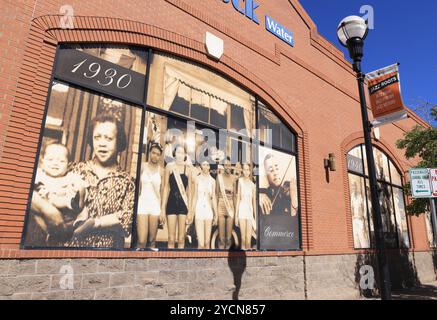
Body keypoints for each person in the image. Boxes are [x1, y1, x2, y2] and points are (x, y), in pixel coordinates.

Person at [69, 113, 136, 248]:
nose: (102, 144)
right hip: (72, 247)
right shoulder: (75, 170)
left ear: (118, 142)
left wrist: (95, 223)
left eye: (108, 138)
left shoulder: (128, 182)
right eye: (97, 137)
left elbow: (127, 221)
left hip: (108, 252)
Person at [161, 144, 193, 249]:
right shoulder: (169, 166)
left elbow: (189, 192)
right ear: (175, 154)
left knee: (181, 238)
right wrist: (162, 209)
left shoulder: (188, 169)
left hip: (183, 204)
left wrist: (190, 211)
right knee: (171, 238)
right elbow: (165, 188)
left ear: (185, 155)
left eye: (182, 153)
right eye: (178, 152)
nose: (180, 155)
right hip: (171, 202)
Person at [136, 143, 164, 249]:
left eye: (157, 154)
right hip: (142, 203)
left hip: (155, 205)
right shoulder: (143, 166)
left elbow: (162, 192)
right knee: (142, 240)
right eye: (153, 153)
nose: (155, 156)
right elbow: (138, 186)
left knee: (152, 241)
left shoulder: (162, 171)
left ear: (160, 156)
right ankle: (136, 264)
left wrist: (162, 210)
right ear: (150, 153)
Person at [191, 161, 217, 249]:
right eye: (204, 164)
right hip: (199, 210)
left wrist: (216, 214)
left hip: (208, 211)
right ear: (201, 166)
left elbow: (214, 198)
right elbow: (195, 196)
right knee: (201, 243)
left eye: (207, 164)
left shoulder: (213, 181)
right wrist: (192, 212)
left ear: (210, 167)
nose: (205, 166)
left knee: (207, 242)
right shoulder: (197, 179)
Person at [216, 157, 237, 250]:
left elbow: (235, 196)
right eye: (225, 165)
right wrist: (215, 211)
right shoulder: (219, 177)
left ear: (231, 166)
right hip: (221, 205)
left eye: (229, 165)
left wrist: (236, 211)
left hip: (230, 207)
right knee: (221, 238)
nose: (227, 167)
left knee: (228, 238)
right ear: (223, 166)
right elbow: (216, 194)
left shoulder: (233, 178)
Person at [235, 163, 256, 251]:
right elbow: (238, 198)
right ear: (242, 171)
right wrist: (236, 215)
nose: (246, 171)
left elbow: (253, 201)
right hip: (242, 210)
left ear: (249, 171)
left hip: (249, 211)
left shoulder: (252, 185)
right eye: (245, 169)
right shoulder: (240, 181)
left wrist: (255, 215)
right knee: (243, 237)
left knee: (248, 239)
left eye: (248, 170)